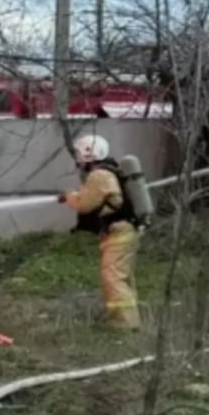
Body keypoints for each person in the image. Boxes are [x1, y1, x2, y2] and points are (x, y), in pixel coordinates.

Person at [57, 134, 142, 330]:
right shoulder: (108, 172)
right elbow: (96, 199)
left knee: (112, 277)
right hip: (124, 230)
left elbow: (84, 205)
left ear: (89, 154)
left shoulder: (99, 175)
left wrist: (69, 196)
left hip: (119, 232)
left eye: (79, 154)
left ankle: (124, 323)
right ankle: (127, 319)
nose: (78, 159)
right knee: (120, 276)